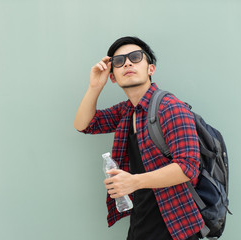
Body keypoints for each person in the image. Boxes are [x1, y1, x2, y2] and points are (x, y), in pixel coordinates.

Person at [74, 36, 204, 240]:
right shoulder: (128, 111)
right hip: (141, 224)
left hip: (174, 226)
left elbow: (188, 167)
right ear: (113, 77)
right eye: (119, 61)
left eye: (135, 57)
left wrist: (134, 182)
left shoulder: (170, 107)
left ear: (150, 69)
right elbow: (85, 124)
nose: (127, 63)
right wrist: (95, 87)